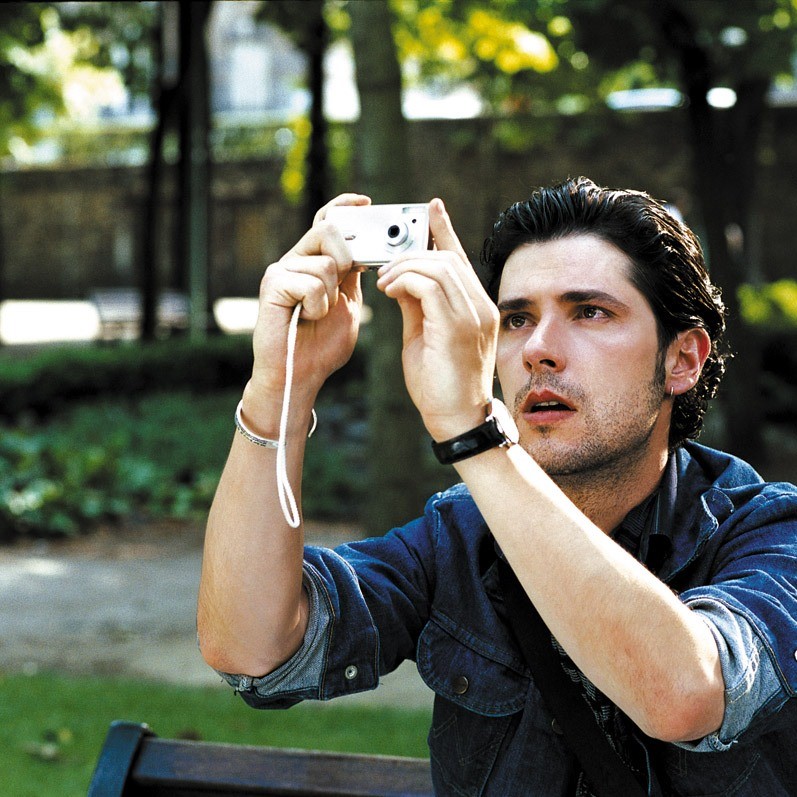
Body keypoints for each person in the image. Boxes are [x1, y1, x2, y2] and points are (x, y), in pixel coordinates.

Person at [197, 177, 797, 796]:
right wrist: (280, 391)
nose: (538, 350)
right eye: (516, 319)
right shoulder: (458, 535)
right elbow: (252, 649)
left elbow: (687, 695)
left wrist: (475, 436)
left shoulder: (771, 532)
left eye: (589, 312)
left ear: (683, 359)